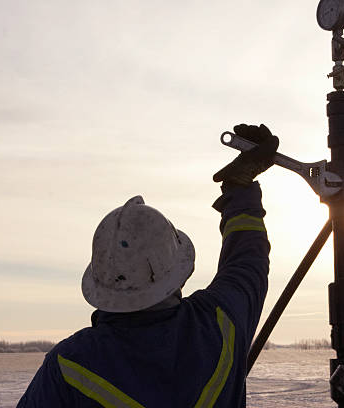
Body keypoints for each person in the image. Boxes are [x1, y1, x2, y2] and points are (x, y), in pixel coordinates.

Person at [17, 123, 280, 407]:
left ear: (100, 283)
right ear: (178, 273)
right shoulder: (220, 324)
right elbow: (247, 260)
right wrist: (239, 188)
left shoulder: (69, 367)